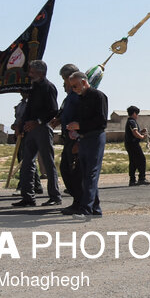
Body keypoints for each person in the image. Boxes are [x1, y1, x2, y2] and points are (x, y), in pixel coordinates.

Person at [13, 60, 61, 207]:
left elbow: (53, 110)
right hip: (30, 130)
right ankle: (28, 197)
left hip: (42, 128)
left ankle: (55, 196)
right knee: (27, 163)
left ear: (40, 72)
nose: (29, 74)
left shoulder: (48, 87)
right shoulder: (33, 88)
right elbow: (29, 109)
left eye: (32, 71)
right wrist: (22, 123)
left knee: (48, 163)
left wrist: (38, 121)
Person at [63, 71, 108, 216]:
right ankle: (95, 208)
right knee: (84, 173)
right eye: (72, 87)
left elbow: (101, 121)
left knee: (91, 173)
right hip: (84, 138)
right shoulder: (80, 99)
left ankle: (86, 208)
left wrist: (79, 125)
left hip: (95, 137)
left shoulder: (98, 96)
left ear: (83, 82)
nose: (74, 89)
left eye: (75, 86)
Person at [53, 63, 81, 199]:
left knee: (73, 169)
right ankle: (76, 196)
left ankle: (80, 199)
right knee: (66, 168)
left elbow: (82, 118)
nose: (64, 84)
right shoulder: (69, 97)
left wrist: (79, 140)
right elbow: (65, 113)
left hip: (76, 138)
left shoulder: (79, 96)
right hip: (68, 138)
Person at [124, 106, 150, 185]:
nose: (137, 116)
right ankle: (142, 178)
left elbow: (136, 131)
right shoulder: (132, 121)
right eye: (137, 114)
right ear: (134, 113)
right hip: (133, 144)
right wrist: (142, 136)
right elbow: (135, 132)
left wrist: (141, 131)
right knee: (142, 160)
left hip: (129, 144)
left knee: (133, 161)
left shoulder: (130, 121)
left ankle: (132, 180)